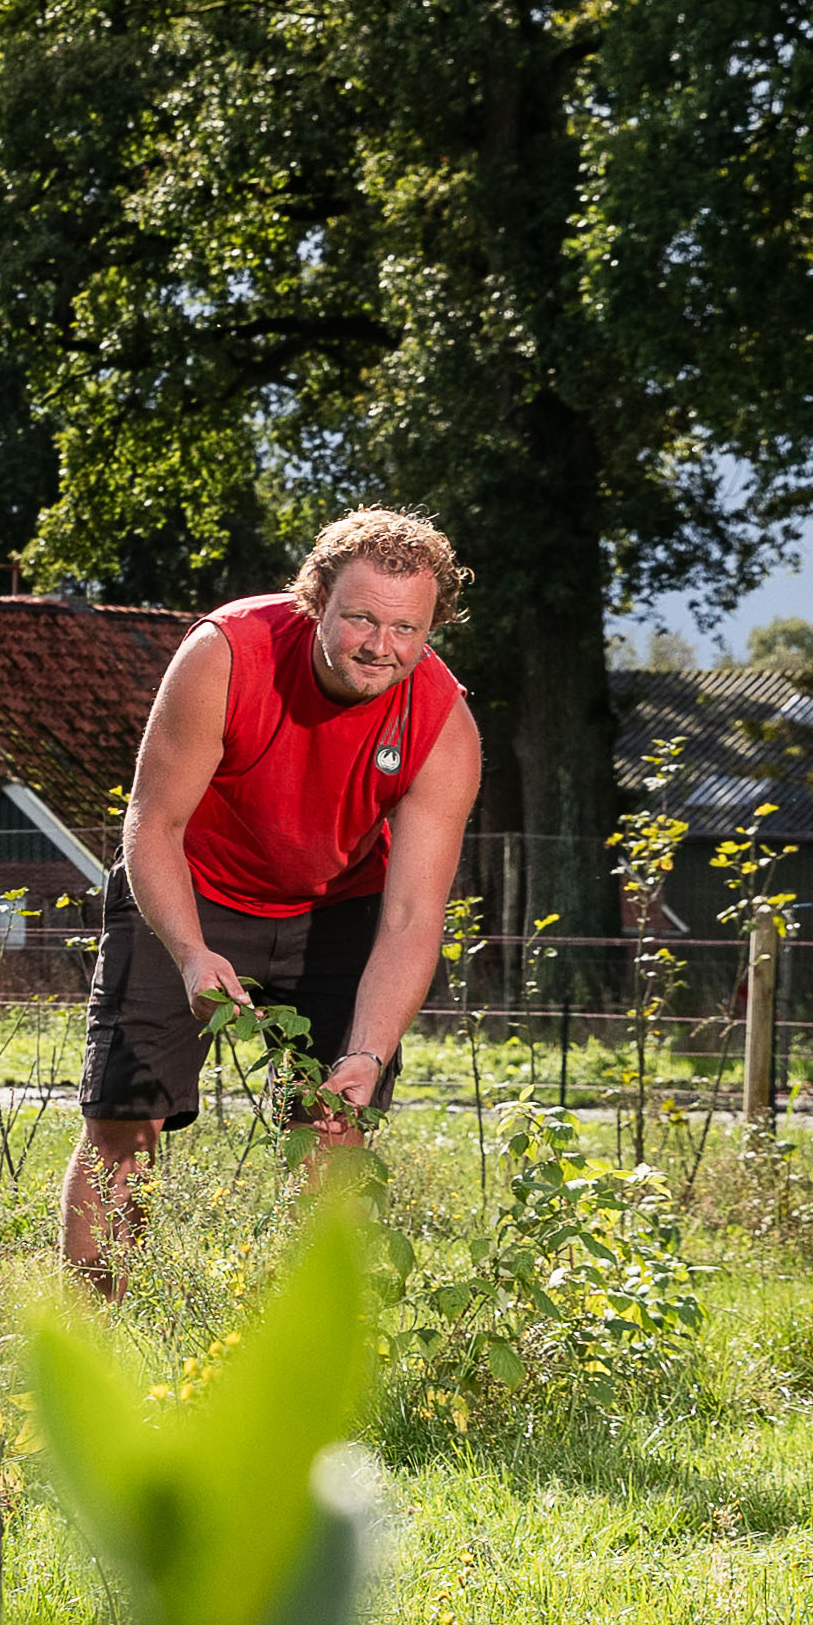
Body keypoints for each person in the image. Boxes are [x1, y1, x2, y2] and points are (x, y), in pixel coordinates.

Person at [65, 508, 483, 1286]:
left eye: (406, 629)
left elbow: (413, 913)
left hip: (338, 909)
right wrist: (190, 955)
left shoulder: (443, 723)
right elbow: (152, 826)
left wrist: (366, 1051)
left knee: (336, 1124)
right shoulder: (227, 654)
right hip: (193, 885)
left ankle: (301, 1356)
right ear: (316, 597)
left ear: (433, 626)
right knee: (125, 1117)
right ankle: (91, 1341)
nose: (379, 646)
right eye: (360, 617)